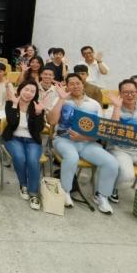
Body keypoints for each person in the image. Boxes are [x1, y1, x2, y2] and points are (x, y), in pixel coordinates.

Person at [47, 74, 118, 214]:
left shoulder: (94, 104)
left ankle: (101, 196)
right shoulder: (61, 99)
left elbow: (99, 130)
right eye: (71, 83)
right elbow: (52, 121)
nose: (75, 86)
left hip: (88, 143)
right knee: (72, 157)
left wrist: (83, 137)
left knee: (111, 162)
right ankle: (66, 191)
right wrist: (61, 99)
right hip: (64, 140)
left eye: (78, 83)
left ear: (82, 84)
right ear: (67, 86)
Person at [2, 81, 46, 210]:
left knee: (32, 161)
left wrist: (38, 114)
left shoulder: (37, 106)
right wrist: (14, 105)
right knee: (20, 157)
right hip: (13, 138)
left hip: (32, 139)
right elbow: (11, 123)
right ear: (20, 90)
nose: (29, 93)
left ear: (35, 94)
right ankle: (23, 185)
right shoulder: (11, 103)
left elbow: (39, 129)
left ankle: (34, 193)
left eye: (32, 91)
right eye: (26, 89)